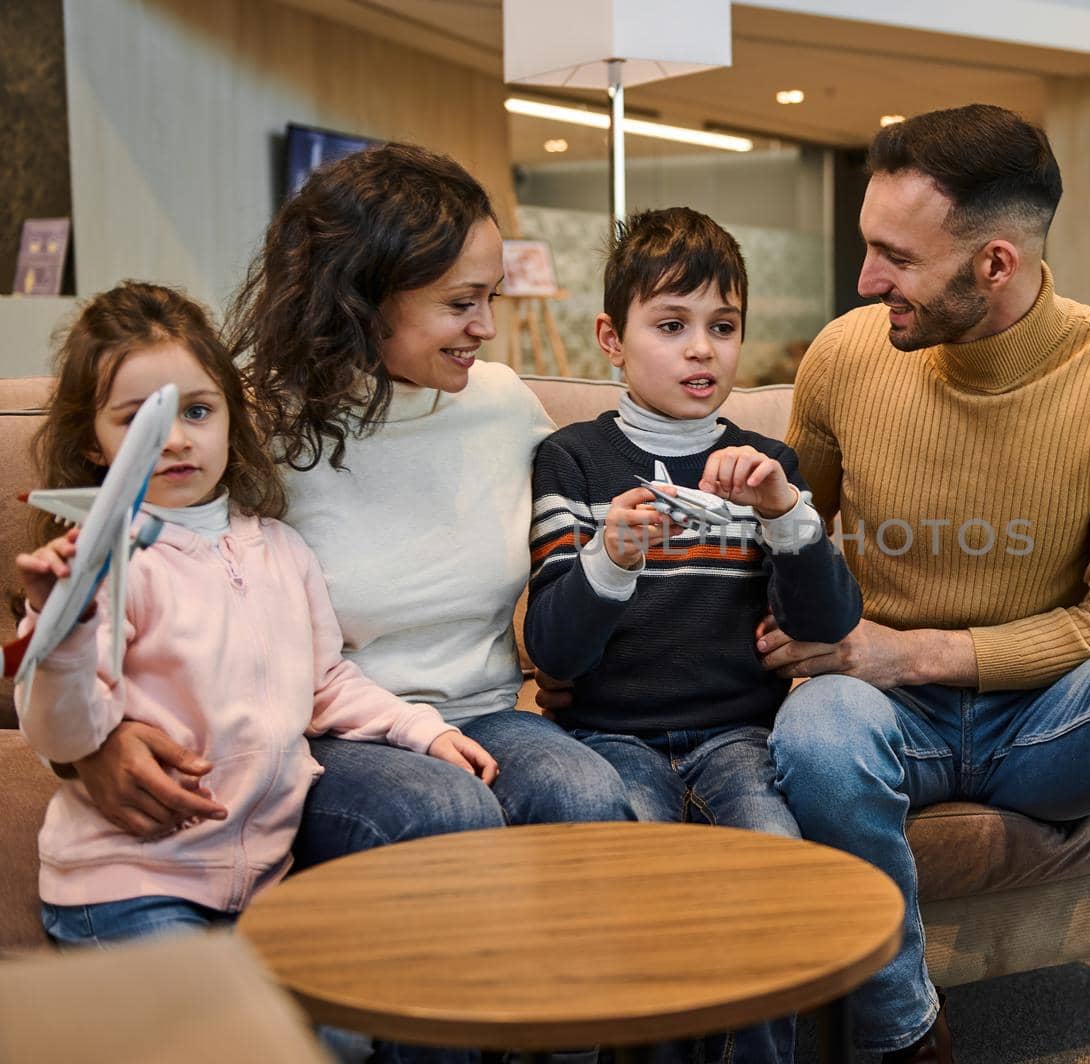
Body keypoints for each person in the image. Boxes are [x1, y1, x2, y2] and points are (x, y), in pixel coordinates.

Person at [64, 145, 634, 1062]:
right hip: (328, 729)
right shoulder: (249, 424)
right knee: (442, 814)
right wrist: (94, 738)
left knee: (586, 793)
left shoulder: (501, 405)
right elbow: (146, 581)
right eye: (460, 302)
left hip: (486, 711)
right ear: (364, 297)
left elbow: (602, 532)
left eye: (491, 297)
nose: (486, 327)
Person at [756, 106, 1090, 1064]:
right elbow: (792, 540)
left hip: (1048, 720)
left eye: (896, 256)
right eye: (868, 246)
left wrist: (912, 653)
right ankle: (904, 1035)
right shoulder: (844, 356)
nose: (865, 281)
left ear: (995, 264)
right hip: (888, 712)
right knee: (816, 731)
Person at [13, 282, 497, 947]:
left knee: (340, 1038)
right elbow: (63, 735)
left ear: (231, 418)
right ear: (94, 443)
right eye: (139, 420)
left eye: (198, 411)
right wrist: (61, 626)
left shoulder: (281, 549)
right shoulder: (101, 562)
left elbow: (325, 681)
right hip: (130, 886)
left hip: (260, 888)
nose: (177, 440)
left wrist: (422, 730)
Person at [525, 207, 863, 1064]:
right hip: (611, 739)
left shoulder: (768, 464)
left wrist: (786, 514)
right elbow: (557, 652)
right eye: (671, 326)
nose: (702, 350)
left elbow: (828, 624)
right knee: (628, 892)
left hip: (738, 737)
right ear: (612, 337)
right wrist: (609, 557)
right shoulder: (570, 462)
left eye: (722, 327)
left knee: (773, 873)